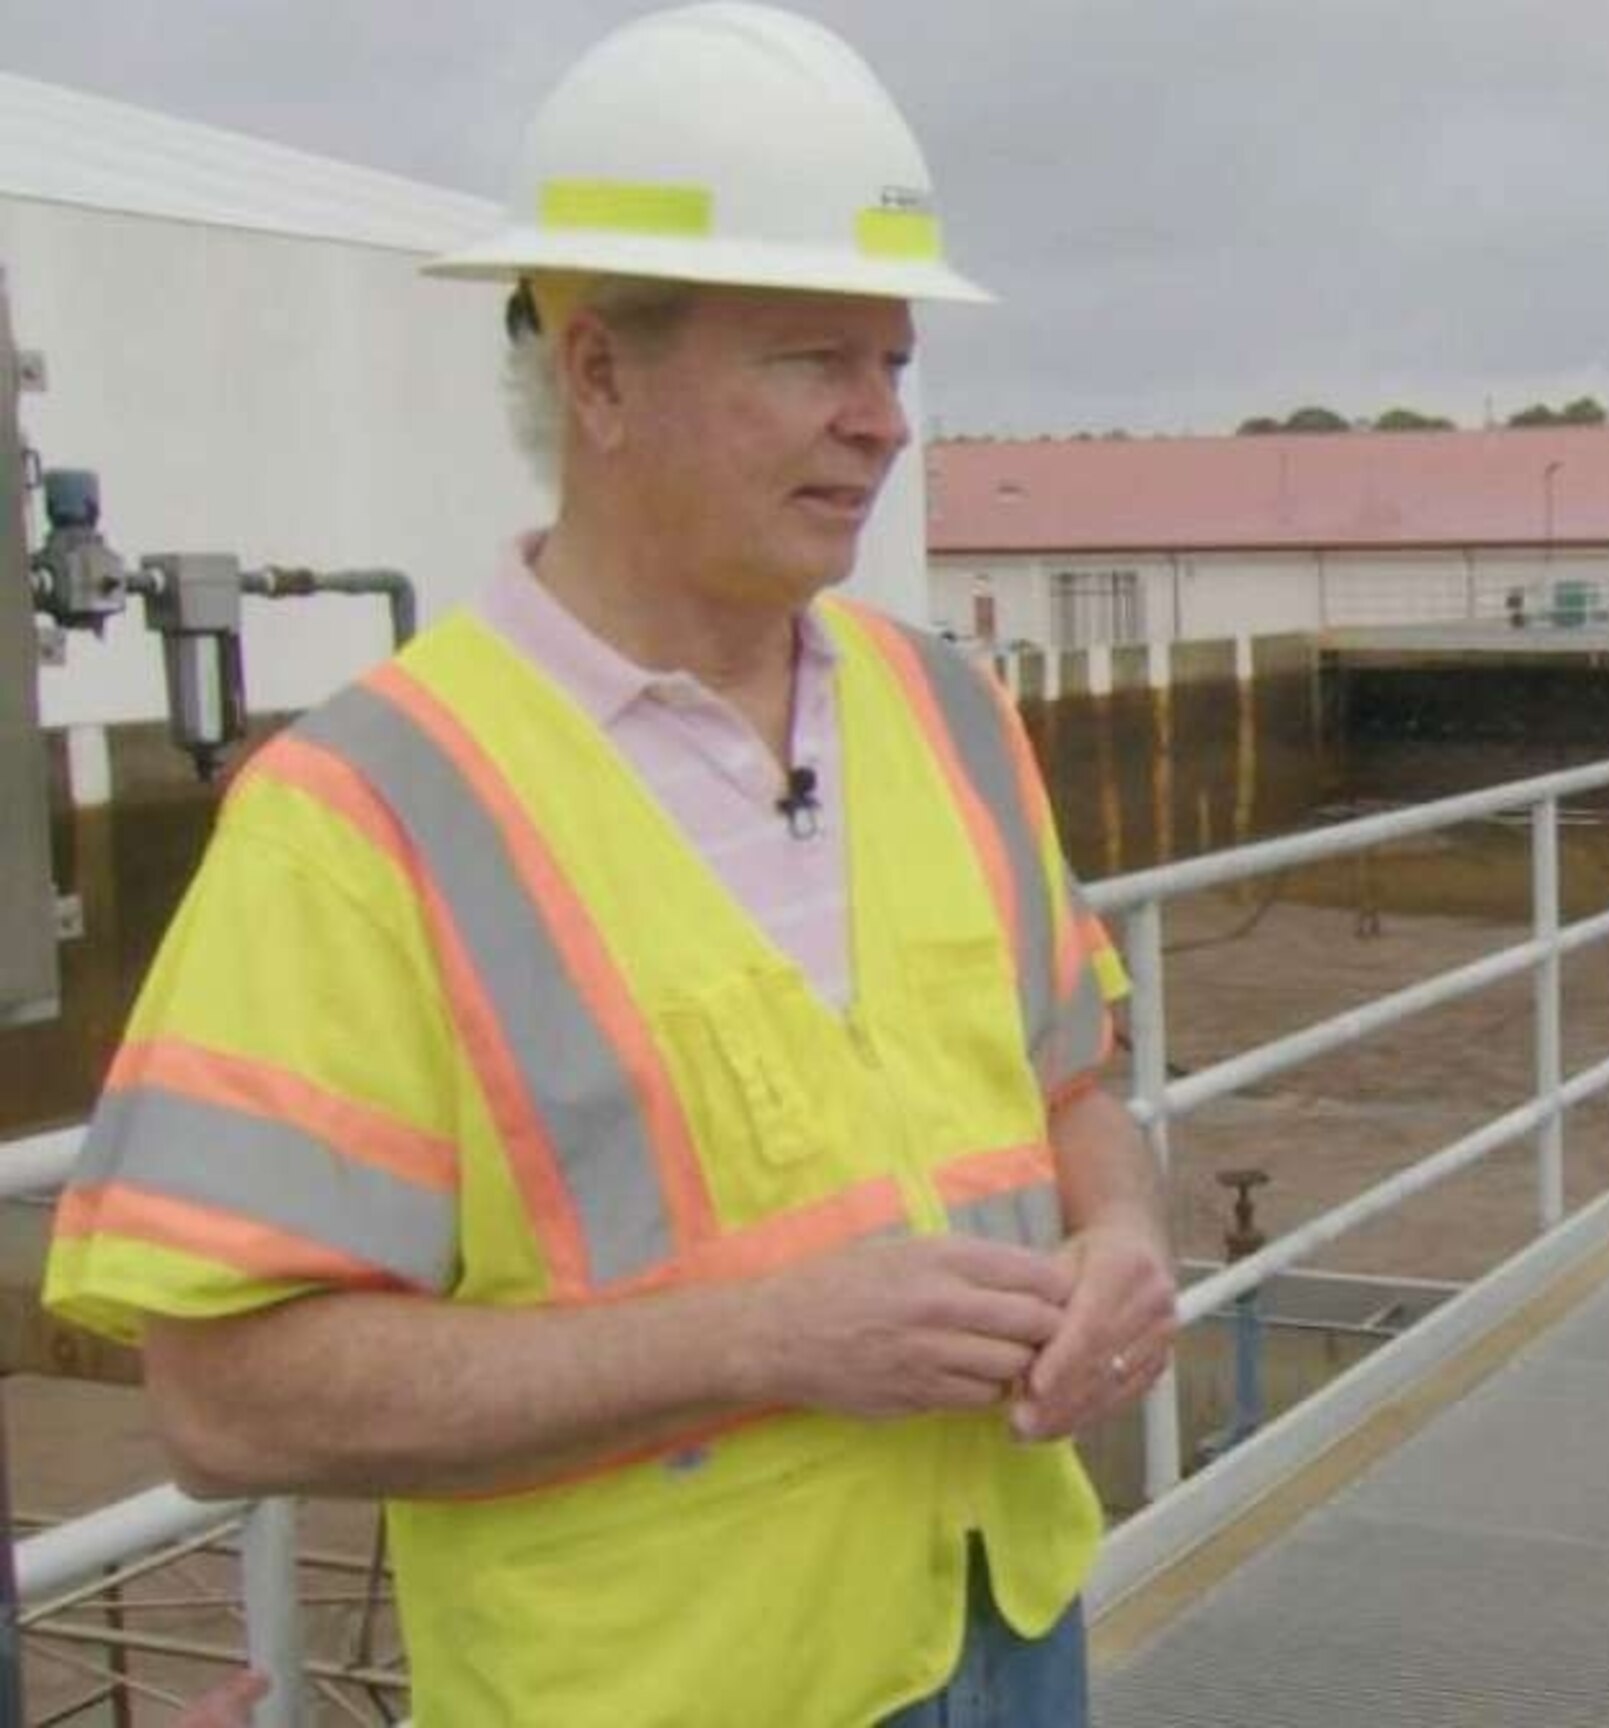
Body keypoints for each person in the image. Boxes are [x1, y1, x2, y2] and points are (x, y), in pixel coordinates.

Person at [43, 7, 1175, 1724]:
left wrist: (1127, 1244)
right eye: (814, 361)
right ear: (598, 374)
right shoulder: (360, 813)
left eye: (895, 365)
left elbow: (1068, 1082)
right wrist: (761, 1343)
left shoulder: (941, 704)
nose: (881, 424)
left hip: (1007, 1632)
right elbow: (227, 1399)